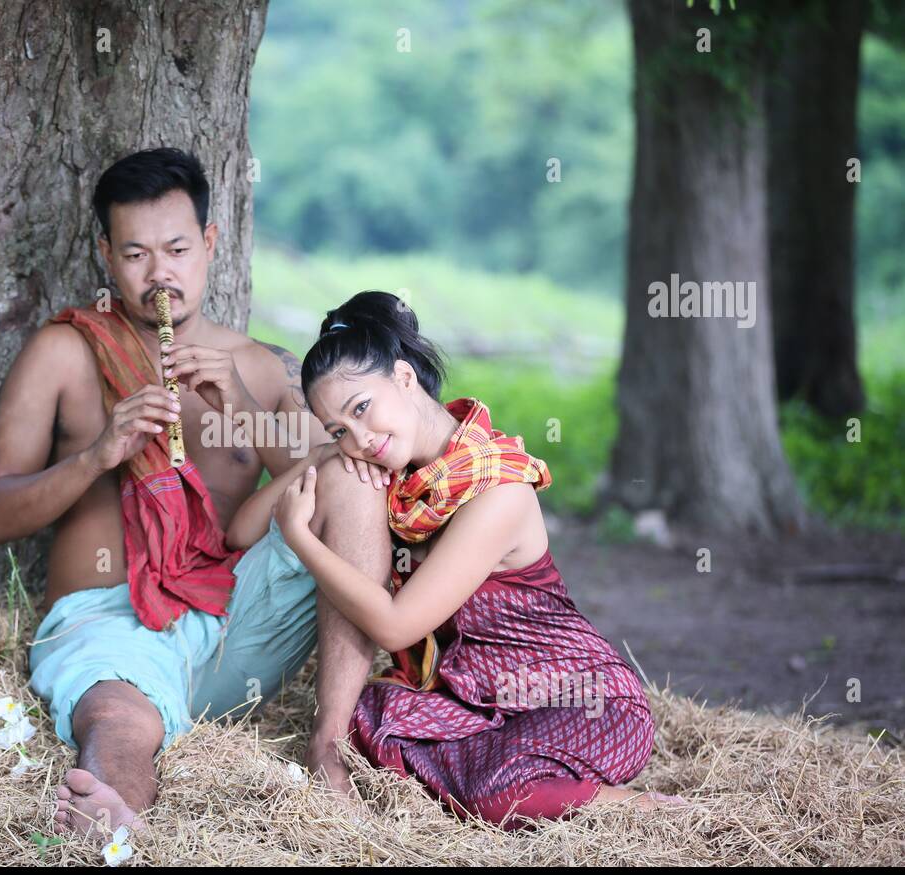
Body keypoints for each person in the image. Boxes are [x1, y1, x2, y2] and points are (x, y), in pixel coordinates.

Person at [0, 149, 393, 838]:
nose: (159, 273)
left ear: (211, 244)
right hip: (110, 624)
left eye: (177, 248)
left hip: (233, 628)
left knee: (350, 478)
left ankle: (328, 744)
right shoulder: (66, 351)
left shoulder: (260, 365)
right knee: (119, 717)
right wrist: (98, 455)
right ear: (106, 253)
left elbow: (339, 470)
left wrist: (243, 404)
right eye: (135, 254)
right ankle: (113, 819)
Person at [257, 291, 687, 829]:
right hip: (475, 695)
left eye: (362, 408)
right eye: (341, 430)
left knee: (494, 796)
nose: (361, 440)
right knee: (369, 723)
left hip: (578, 697)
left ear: (405, 378)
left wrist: (303, 539)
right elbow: (239, 529)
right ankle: (508, 778)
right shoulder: (397, 481)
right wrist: (320, 456)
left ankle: (626, 805)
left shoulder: (497, 489)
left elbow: (394, 628)